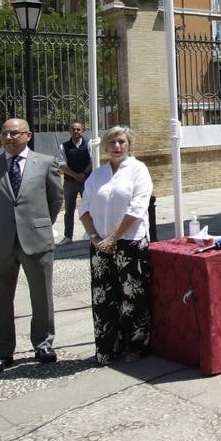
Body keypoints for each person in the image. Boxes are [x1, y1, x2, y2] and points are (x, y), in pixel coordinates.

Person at [0, 117, 64, 375]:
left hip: (36, 240)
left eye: (16, 134)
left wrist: (37, 224)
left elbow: (55, 199)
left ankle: (43, 344)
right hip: (0, 242)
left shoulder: (45, 163)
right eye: (5, 134)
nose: (10, 138)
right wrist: (4, 224)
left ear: (28, 135)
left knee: (42, 296)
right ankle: (3, 351)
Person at [80, 125, 154, 366]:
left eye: (121, 142)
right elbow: (85, 208)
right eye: (112, 142)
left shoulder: (138, 170)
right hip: (99, 244)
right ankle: (107, 347)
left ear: (129, 144)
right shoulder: (97, 175)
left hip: (130, 242)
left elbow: (137, 207)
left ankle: (134, 346)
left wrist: (114, 237)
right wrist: (94, 237)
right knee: (104, 297)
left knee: (132, 297)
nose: (117, 146)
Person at [58, 121, 93, 245]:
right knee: (69, 209)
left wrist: (83, 174)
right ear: (70, 131)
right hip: (70, 182)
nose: (76, 131)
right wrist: (75, 176)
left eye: (78, 129)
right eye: (73, 129)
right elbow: (62, 164)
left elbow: (93, 161)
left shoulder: (89, 143)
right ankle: (68, 236)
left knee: (90, 208)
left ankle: (91, 233)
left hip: (86, 181)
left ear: (82, 130)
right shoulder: (64, 146)